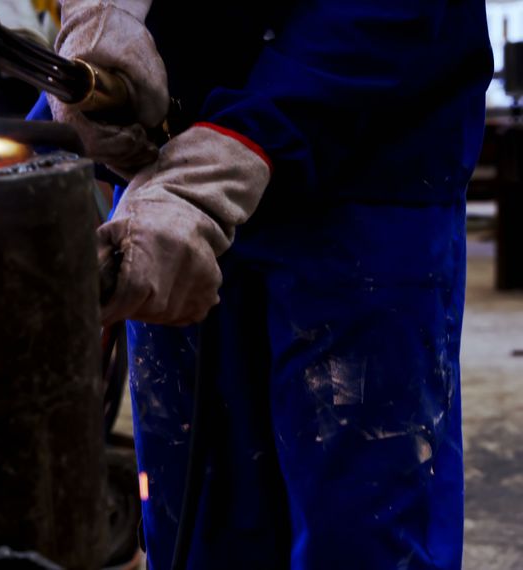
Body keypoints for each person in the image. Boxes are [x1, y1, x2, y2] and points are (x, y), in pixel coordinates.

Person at [38, 0, 493, 568]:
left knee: (359, 536)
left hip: (359, 182)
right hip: (165, 187)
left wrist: (222, 161)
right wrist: (100, 28)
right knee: (195, 521)